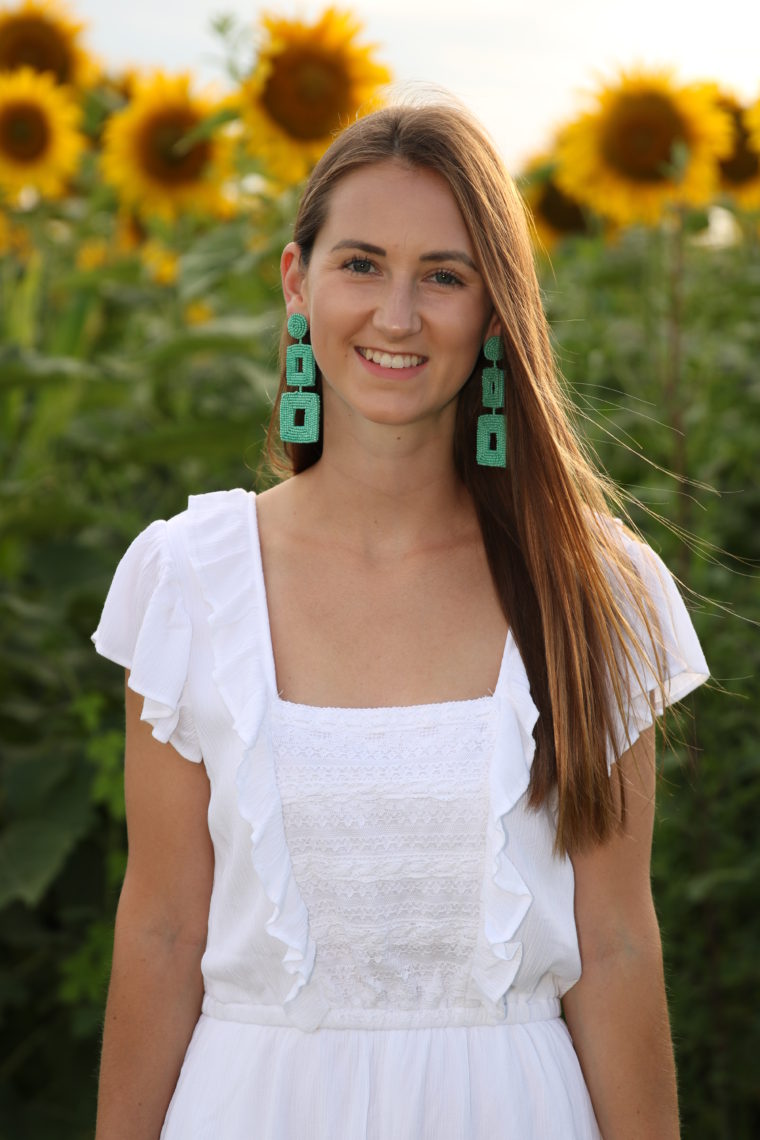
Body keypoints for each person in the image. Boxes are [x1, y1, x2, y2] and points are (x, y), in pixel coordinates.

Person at [91, 99, 709, 1139]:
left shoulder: (595, 588)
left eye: (444, 275)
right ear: (298, 282)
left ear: (495, 310)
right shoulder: (187, 581)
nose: (396, 315)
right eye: (361, 264)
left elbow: (616, 947)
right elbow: (158, 930)